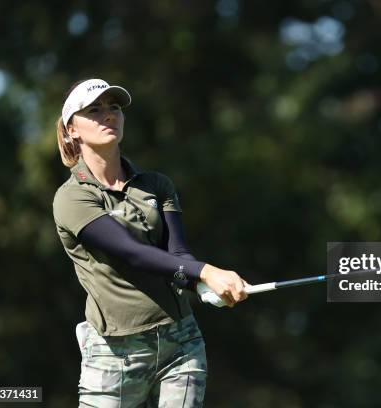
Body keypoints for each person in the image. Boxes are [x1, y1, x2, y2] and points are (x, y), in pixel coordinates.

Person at [52, 78, 248, 407]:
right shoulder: (73, 197)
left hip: (180, 343)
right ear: (72, 129)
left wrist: (201, 285)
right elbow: (132, 254)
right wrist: (207, 272)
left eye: (114, 108)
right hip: (115, 356)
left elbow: (177, 255)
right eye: (94, 110)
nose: (108, 115)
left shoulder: (156, 184)